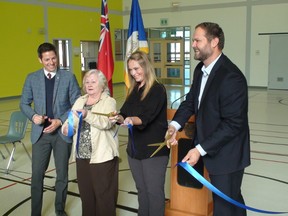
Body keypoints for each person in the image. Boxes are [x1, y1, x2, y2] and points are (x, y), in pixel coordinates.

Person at [167, 22, 250, 216]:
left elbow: (233, 124)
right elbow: (190, 102)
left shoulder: (231, 77)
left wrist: (199, 149)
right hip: (212, 148)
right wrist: (174, 126)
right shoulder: (199, 70)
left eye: (197, 40)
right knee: (233, 201)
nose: (193, 44)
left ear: (214, 42)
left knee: (224, 207)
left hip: (228, 155)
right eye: (193, 40)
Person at [20, 42, 81, 216]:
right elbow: (23, 103)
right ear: (40, 60)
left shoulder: (69, 77)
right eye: (47, 59)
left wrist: (60, 121)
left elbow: (77, 104)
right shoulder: (32, 78)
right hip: (41, 135)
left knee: (62, 175)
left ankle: (59, 210)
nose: (51, 62)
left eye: (54, 58)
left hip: (61, 134)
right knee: (37, 175)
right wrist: (33, 116)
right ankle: (35, 213)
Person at [112, 50, 169, 216]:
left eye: (137, 68)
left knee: (154, 193)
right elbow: (124, 111)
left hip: (154, 150)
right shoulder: (134, 89)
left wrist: (130, 120)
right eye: (130, 70)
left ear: (146, 66)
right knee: (142, 190)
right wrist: (118, 117)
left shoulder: (158, 89)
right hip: (135, 150)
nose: (133, 73)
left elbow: (146, 117)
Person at [61, 69, 119, 216]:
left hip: (102, 156)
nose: (89, 84)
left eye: (93, 81)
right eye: (87, 82)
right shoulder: (80, 100)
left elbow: (106, 123)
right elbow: (71, 121)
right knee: (86, 196)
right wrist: (66, 128)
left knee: (104, 197)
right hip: (82, 155)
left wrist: (87, 115)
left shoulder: (109, 101)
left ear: (102, 84)